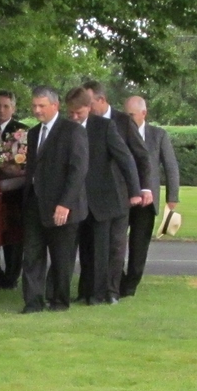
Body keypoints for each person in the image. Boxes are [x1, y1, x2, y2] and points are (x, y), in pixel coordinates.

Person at [65, 87, 141, 306]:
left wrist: (135, 191)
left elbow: (126, 159)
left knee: (103, 249)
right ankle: (85, 291)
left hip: (105, 197)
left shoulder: (104, 127)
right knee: (84, 248)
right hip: (78, 199)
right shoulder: (67, 128)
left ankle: (102, 294)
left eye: (78, 112)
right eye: (71, 113)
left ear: (88, 107)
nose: (75, 117)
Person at [82, 80, 152, 300]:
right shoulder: (83, 123)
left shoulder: (123, 121)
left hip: (119, 195)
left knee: (115, 245)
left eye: (89, 101)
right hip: (90, 195)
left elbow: (140, 156)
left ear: (101, 100)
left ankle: (111, 291)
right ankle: (89, 290)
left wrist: (142, 188)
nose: (85, 106)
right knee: (90, 245)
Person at [20, 86, 88, 313]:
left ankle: (59, 301)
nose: (37, 110)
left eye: (41, 106)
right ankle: (33, 303)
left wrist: (65, 203)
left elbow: (78, 170)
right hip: (35, 204)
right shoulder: (33, 133)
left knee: (61, 258)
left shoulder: (72, 131)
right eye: (34, 106)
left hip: (62, 206)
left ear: (55, 106)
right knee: (31, 256)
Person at [120, 95, 180, 297]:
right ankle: (116, 282)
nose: (128, 119)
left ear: (144, 113)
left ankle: (130, 286)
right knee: (116, 244)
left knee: (139, 246)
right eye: (125, 115)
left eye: (132, 115)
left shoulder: (158, 135)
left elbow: (171, 167)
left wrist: (173, 197)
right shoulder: (117, 132)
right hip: (122, 198)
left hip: (147, 201)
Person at [0, 90, 28, 289]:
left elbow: (24, 163)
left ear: (13, 108)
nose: (1, 110)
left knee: (13, 237)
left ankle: (11, 278)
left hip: (13, 192)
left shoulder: (22, 131)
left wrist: (10, 167)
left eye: (6, 106)